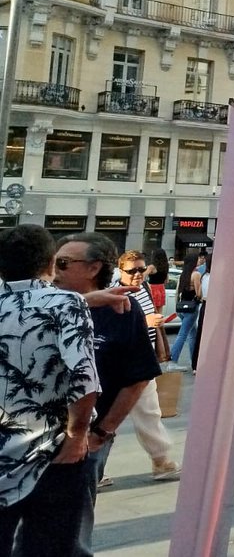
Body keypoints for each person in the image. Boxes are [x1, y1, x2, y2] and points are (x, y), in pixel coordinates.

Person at [54, 232, 160, 556]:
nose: (53, 269)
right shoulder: (43, 303)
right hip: (29, 436)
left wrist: (102, 431)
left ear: (93, 268)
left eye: (62, 263)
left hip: (84, 439)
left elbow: (139, 377)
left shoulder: (122, 312)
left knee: (71, 528)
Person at [0, 224, 99, 556]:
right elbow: (83, 378)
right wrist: (77, 434)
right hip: (53, 454)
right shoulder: (66, 304)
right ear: (50, 262)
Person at [115, 250, 181, 482]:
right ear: (120, 270)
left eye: (141, 269)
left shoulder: (143, 289)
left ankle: (161, 461)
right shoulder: (115, 291)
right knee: (104, 418)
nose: (137, 274)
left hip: (142, 360)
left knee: (150, 412)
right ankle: (95, 467)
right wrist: (145, 321)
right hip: (118, 363)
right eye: (131, 270)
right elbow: (110, 324)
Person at [169, 254, 202, 367]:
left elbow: (177, 292)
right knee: (183, 335)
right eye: (197, 259)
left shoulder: (183, 275)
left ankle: (194, 361)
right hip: (192, 308)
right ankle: (172, 361)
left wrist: (176, 307)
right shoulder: (196, 274)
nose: (199, 261)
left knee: (193, 334)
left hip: (181, 307)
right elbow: (198, 293)